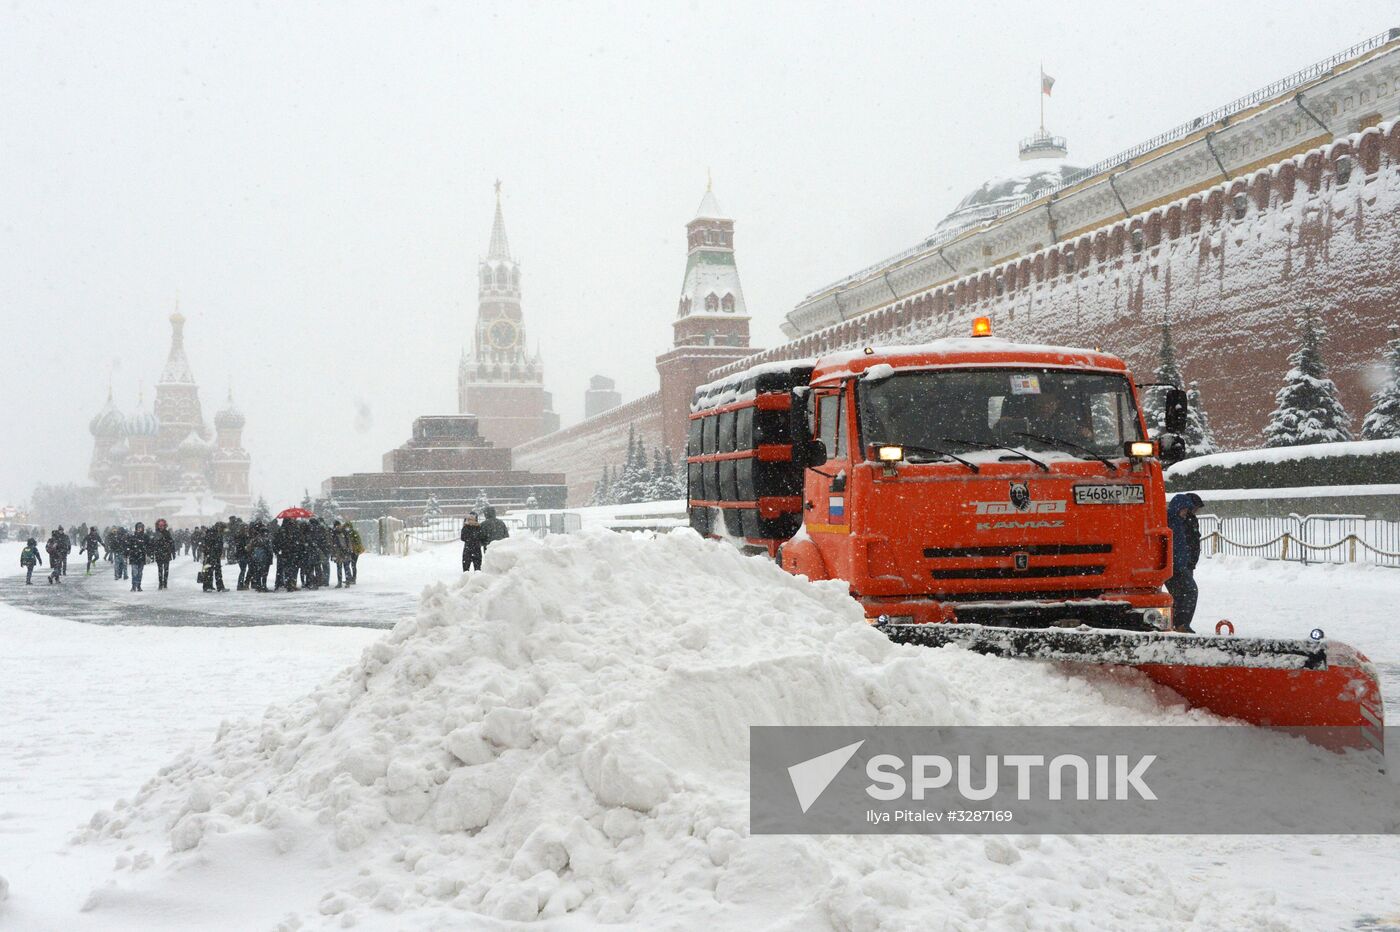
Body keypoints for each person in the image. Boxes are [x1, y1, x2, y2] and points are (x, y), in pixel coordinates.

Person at [1166, 492, 1204, 633]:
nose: (1186, 513)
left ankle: (1178, 624)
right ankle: (1181, 624)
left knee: (1181, 594)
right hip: (1177, 566)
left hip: (1180, 565)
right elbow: (1178, 546)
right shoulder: (1175, 522)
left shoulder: (1178, 522)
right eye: (1185, 510)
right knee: (1189, 592)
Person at [247, 521, 273, 591]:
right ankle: (264, 586)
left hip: (256, 559)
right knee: (265, 573)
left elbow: (249, 549)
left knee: (257, 572)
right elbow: (270, 550)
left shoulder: (254, 539)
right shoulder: (267, 540)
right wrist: (270, 559)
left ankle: (258, 586)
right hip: (265, 559)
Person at [201, 521, 226, 592]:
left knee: (217, 571)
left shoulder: (218, 534)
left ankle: (219, 587)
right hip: (210, 555)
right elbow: (208, 545)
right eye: (222, 529)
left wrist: (219, 553)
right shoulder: (211, 533)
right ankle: (207, 587)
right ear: (218, 527)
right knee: (208, 571)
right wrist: (210, 553)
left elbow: (219, 544)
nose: (222, 531)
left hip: (215, 555)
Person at [126, 521, 150, 592]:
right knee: (134, 572)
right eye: (138, 527)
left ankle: (139, 585)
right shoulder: (132, 536)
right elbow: (128, 546)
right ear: (136, 528)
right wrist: (127, 554)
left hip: (141, 557)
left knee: (140, 573)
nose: (140, 529)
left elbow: (149, 546)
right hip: (134, 557)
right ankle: (133, 586)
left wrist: (148, 554)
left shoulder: (145, 536)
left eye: (141, 527)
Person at [151, 518, 175, 590]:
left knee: (166, 569)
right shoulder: (155, 534)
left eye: (162, 525)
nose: (161, 527)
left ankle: (165, 583)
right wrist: (152, 553)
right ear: (157, 526)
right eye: (160, 525)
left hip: (166, 553)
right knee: (160, 570)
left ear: (165, 526)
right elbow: (152, 544)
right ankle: (160, 583)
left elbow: (171, 543)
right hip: (159, 553)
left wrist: (173, 553)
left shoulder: (167, 533)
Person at [228, 516, 250, 590]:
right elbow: (242, 546)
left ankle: (240, 584)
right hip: (242, 554)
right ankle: (240, 585)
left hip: (240, 554)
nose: (247, 529)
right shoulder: (242, 537)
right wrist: (246, 547)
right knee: (243, 570)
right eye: (246, 528)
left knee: (243, 570)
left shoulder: (239, 536)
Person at [330, 520, 352, 588]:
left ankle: (346, 582)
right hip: (339, 553)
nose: (337, 527)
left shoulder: (343, 532)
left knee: (344, 567)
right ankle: (341, 582)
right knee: (341, 567)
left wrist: (348, 549)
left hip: (342, 552)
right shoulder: (335, 533)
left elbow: (348, 542)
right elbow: (332, 544)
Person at [344, 521, 363, 585]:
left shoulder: (354, 533)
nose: (347, 528)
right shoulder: (345, 533)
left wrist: (356, 549)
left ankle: (353, 578)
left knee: (353, 565)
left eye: (348, 526)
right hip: (349, 551)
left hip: (354, 551)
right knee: (348, 564)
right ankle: (349, 577)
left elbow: (358, 542)